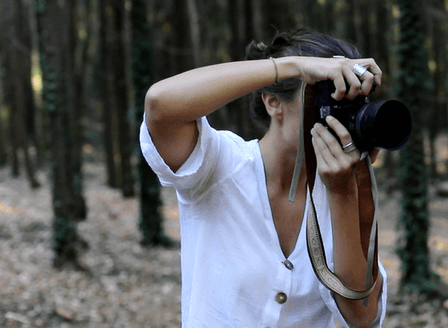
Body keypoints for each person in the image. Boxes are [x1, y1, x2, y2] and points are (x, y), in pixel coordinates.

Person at [140, 29, 387, 328]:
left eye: (350, 103)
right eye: (327, 98)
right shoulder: (220, 165)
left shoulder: (345, 191)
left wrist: (343, 194)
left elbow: (362, 317)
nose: (341, 116)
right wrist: (291, 67)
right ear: (272, 102)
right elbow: (159, 104)